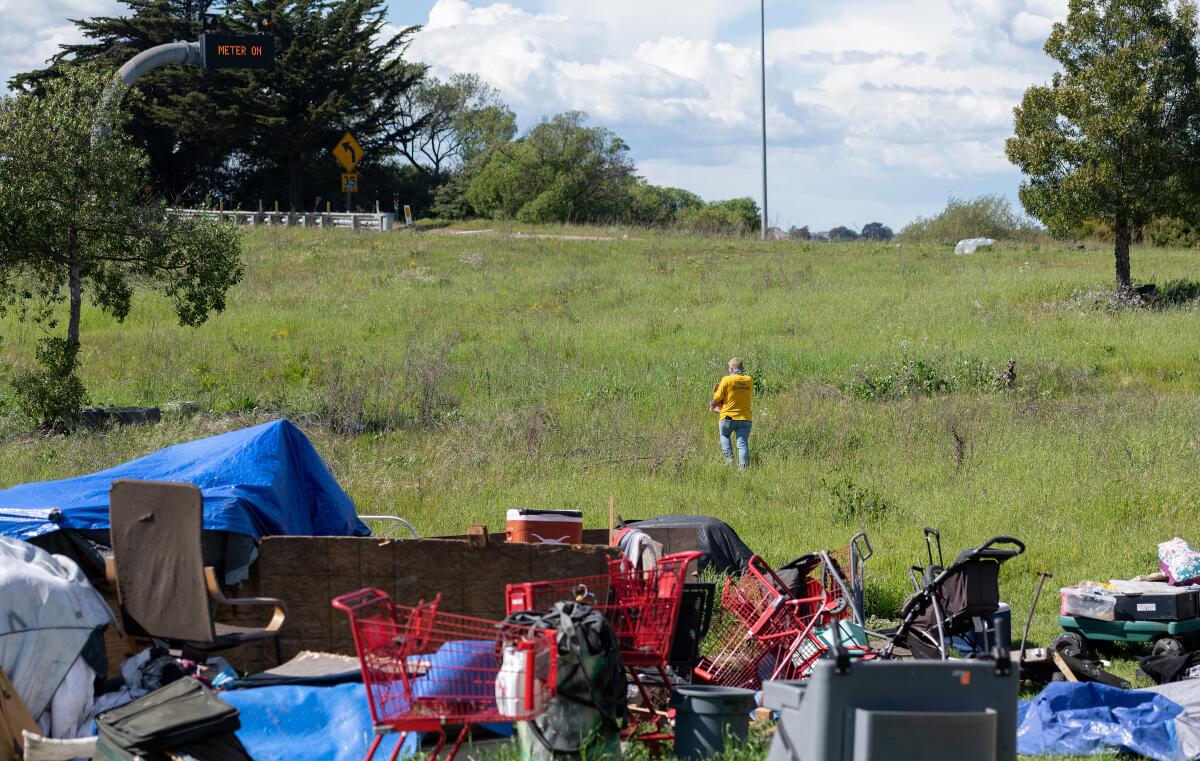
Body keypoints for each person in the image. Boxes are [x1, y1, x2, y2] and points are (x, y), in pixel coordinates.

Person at [711, 358, 753, 468]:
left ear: (731, 368)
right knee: (743, 444)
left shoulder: (726, 380)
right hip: (745, 418)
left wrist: (714, 398)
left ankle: (729, 461)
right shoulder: (749, 380)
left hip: (727, 417)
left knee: (724, 435)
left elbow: (717, 397)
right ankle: (743, 468)